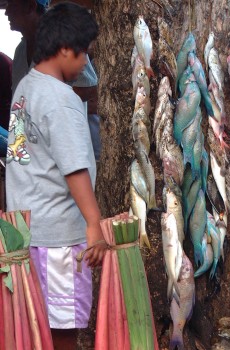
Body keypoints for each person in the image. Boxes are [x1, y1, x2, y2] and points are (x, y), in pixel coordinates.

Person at [5, 2, 107, 349]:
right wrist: (93, 223)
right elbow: (74, 166)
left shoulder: (25, 90)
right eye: (83, 55)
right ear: (65, 49)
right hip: (60, 241)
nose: (84, 64)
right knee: (63, 331)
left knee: (35, 327)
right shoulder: (61, 99)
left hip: (28, 234)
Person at [5, 0, 102, 162]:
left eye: (12, 5)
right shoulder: (20, 50)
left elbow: (89, 88)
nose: (7, 12)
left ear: (30, 6)